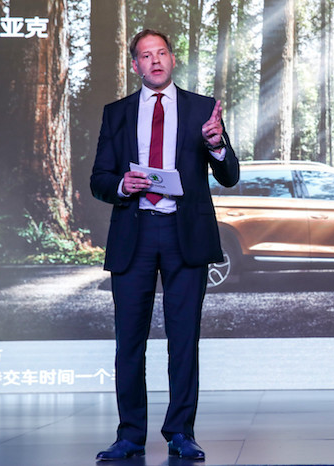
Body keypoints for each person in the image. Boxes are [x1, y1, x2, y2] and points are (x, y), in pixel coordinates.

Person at [90, 29, 239, 462]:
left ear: (172, 59)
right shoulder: (117, 113)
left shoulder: (202, 110)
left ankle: (180, 432)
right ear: (134, 65)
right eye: (145, 55)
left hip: (184, 235)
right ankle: (129, 435)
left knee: (183, 339)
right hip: (134, 234)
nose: (154, 61)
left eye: (161, 53)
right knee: (129, 342)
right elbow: (99, 179)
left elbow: (230, 175)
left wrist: (216, 144)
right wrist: (122, 184)